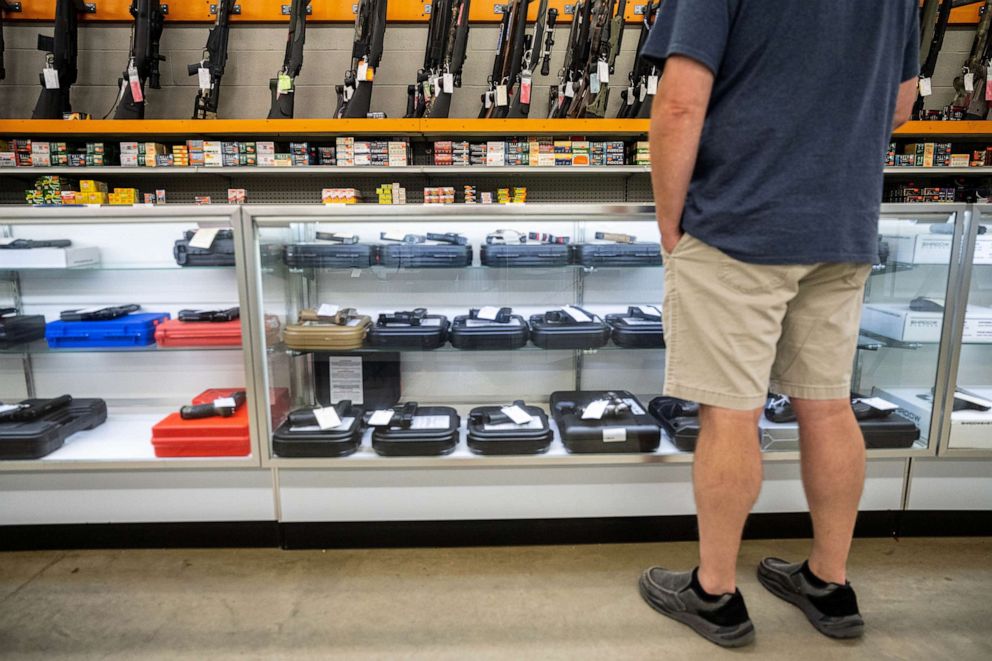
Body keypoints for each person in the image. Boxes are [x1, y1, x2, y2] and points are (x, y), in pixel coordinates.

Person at [637, 0, 920, 648]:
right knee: (827, 406)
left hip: (741, 218)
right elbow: (901, 104)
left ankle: (715, 593)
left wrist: (669, 222)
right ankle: (829, 579)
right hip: (841, 224)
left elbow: (680, 103)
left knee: (731, 413)